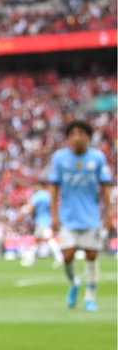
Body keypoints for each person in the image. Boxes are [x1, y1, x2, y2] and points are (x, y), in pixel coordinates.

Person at [49, 120, 114, 312]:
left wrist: (109, 214)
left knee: (91, 255)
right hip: (68, 217)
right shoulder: (59, 158)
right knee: (67, 255)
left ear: (88, 137)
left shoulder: (98, 158)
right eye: (73, 133)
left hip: (91, 216)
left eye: (81, 133)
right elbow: (54, 188)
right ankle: (75, 283)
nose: (77, 137)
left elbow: (105, 188)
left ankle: (91, 296)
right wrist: (54, 215)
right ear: (68, 138)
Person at [20, 185, 60, 268]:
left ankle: (60, 258)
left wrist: (25, 211)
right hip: (48, 220)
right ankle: (32, 259)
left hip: (42, 222)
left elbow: (31, 208)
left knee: (49, 240)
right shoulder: (48, 195)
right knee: (37, 241)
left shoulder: (38, 196)